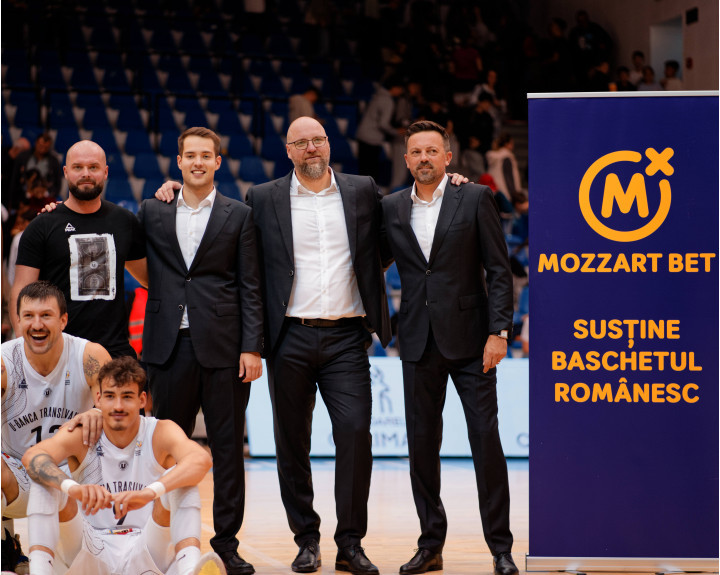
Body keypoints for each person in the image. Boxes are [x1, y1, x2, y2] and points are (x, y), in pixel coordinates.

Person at [381, 121, 517, 575]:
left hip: (473, 342)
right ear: (406, 160)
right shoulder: (391, 207)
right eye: (416, 152)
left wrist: (499, 332)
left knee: (486, 444)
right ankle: (430, 546)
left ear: (447, 157)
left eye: (432, 151)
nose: (424, 158)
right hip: (417, 342)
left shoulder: (474, 197)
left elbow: (499, 269)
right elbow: (367, 260)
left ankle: (501, 548)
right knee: (422, 449)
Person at [138, 126, 263, 575]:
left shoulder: (239, 215)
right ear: (178, 161)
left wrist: (252, 347)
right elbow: (131, 256)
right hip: (167, 346)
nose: (197, 162)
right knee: (164, 451)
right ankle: (162, 540)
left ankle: (226, 544)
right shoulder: (153, 209)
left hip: (225, 349)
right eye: (189, 155)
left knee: (228, 451)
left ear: (217, 162)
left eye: (205, 155)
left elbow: (251, 285)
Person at [21, 356, 222, 575]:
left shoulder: (160, 431)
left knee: (183, 479)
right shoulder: (83, 434)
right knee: (45, 482)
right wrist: (74, 489)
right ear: (98, 399)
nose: (118, 406)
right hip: (90, 548)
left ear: (142, 400)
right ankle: (40, 571)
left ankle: (189, 569)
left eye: (127, 397)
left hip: (146, 547)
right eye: (110, 396)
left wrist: (149, 493)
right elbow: (33, 457)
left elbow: (200, 460)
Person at [1, 281, 111, 573]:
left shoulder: (89, 356)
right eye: (28, 316)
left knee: (82, 567)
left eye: (46, 315)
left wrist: (100, 412)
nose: (37, 324)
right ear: (18, 320)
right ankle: (4, 548)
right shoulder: (4, 362)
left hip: (78, 483)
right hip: (20, 479)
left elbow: (125, 416)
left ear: (63, 320)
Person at [10, 140, 147, 358]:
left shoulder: (125, 221)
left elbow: (149, 279)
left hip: (114, 352)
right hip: (58, 351)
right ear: (66, 172)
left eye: (93, 167)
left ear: (105, 172)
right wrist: (25, 350)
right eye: (78, 167)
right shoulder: (42, 225)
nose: (86, 174)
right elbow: (21, 291)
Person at [9, 134, 62, 211]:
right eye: (41, 145)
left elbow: (57, 183)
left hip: (45, 198)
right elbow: (15, 179)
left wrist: (46, 194)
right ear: (36, 143)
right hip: (23, 196)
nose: (43, 149)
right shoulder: (23, 157)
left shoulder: (53, 161)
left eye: (46, 147)